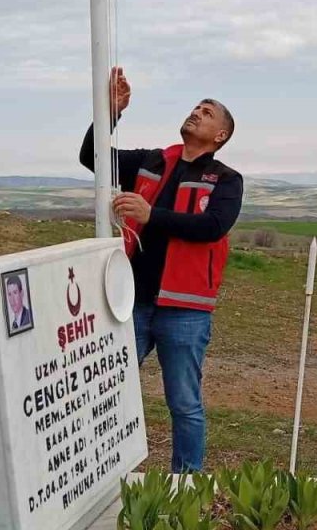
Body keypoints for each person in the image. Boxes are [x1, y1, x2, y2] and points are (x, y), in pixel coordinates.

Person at [80, 66, 243, 472]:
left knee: (184, 403)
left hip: (185, 309)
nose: (196, 113)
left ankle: (185, 485)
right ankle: (103, 475)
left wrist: (152, 215)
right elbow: (93, 157)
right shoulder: (153, 160)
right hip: (130, 301)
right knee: (109, 390)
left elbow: (212, 227)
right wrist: (109, 113)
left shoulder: (227, 179)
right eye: (195, 107)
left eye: (206, 112)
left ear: (220, 135)